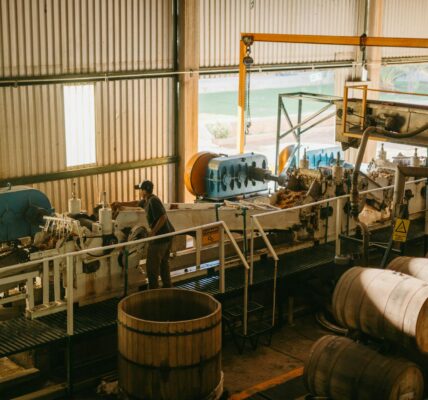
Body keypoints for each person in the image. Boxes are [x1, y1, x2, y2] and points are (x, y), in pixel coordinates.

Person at [111, 180, 175, 289]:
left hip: (161, 237)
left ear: (144, 191)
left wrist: (153, 232)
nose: (139, 192)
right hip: (167, 235)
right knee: (164, 264)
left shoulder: (153, 201)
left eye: (140, 190)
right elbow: (136, 203)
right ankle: (167, 287)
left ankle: (154, 292)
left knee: (152, 267)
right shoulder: (147, 200)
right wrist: (120, 203)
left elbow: (163, 217)